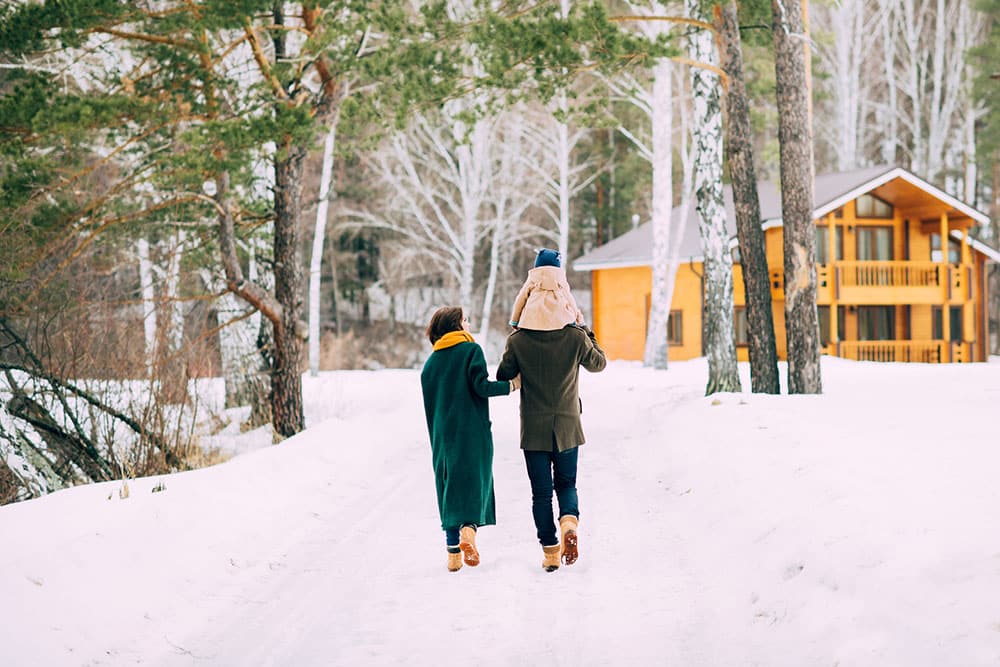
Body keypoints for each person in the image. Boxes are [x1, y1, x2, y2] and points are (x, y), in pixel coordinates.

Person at [496, 315, 606, 572]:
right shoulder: (575, 337)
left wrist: (515, 339)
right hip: (567, 425)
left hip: (534, 429)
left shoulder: (519, 340)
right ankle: (568, 522)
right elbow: (599, 363)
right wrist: (586, 331)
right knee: (566, 484)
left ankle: (551, 552)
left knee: (541, 494)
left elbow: (503, 375)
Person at [420, 306, 520, 573]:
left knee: (449, 487)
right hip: (472, 433)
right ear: (456, 324)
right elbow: (481, 386)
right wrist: (511, 385)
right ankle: (469, 532)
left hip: (442, 438)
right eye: (465, 319)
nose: (467, 324)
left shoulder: (430, 365)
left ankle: (453, 556)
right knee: (476, 483)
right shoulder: (470, 350)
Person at [509, 248, 586, 331]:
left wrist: (515, 321)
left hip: (533, 320)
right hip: (560, 320)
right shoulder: (561, 279)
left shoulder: (533, 278)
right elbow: (570, 300)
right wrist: (575, 317)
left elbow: (521, 299)